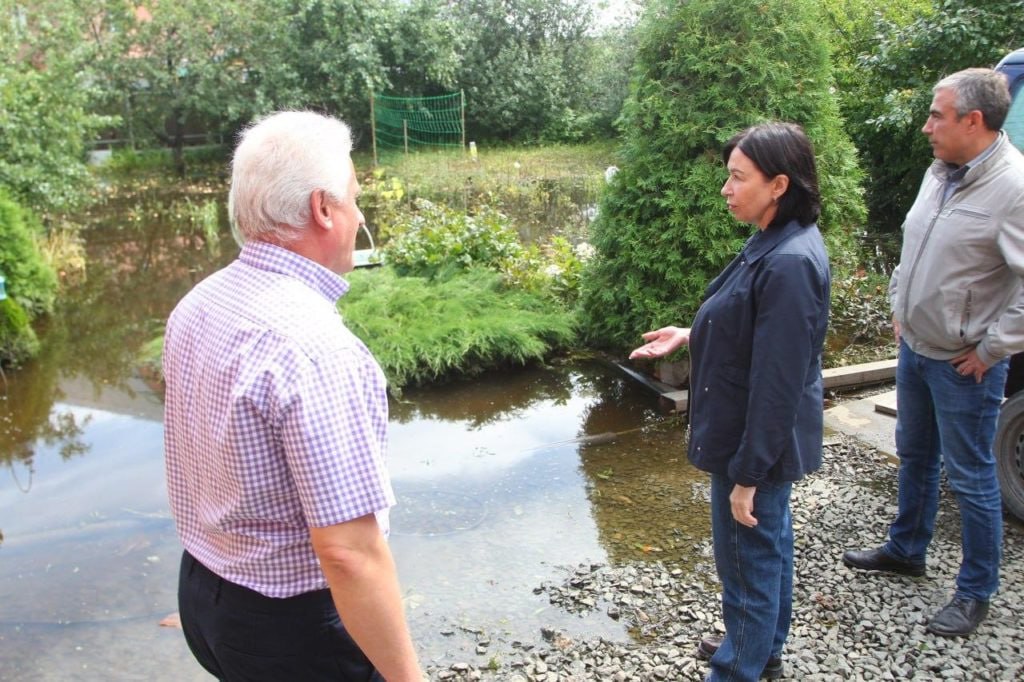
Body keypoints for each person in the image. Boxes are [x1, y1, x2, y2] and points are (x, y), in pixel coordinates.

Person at [163, 111, 423, 681]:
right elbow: (348, 553)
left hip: (205, 595)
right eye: (354, 199)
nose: (360, 216)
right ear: (322, 208)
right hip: (294, 630)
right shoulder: (315, 350)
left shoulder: (199, 303)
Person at [630, 122, 831, 681]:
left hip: (756, 441)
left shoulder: (789, 261)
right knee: (769, 548)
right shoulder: (771, 241)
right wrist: (689, 333)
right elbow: (754, 328)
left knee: (747, 563)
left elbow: (778, 384)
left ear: (779, 184)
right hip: (756, 437)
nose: (726, 188)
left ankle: (737, 667)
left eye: (738, 178)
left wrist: (748, 473)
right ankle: (762, 652)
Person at [843, 68, 1024, 637]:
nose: (926, 127)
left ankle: (975, 593)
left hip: (962, 362)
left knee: (971, 476)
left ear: (974, 121)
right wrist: (900, 303)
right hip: (916, 348)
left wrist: (992, 348)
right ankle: (906, 549)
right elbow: (912, 242)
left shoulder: (1014, 188)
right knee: (914, 454)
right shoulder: (938, 171)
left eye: (937, 116)